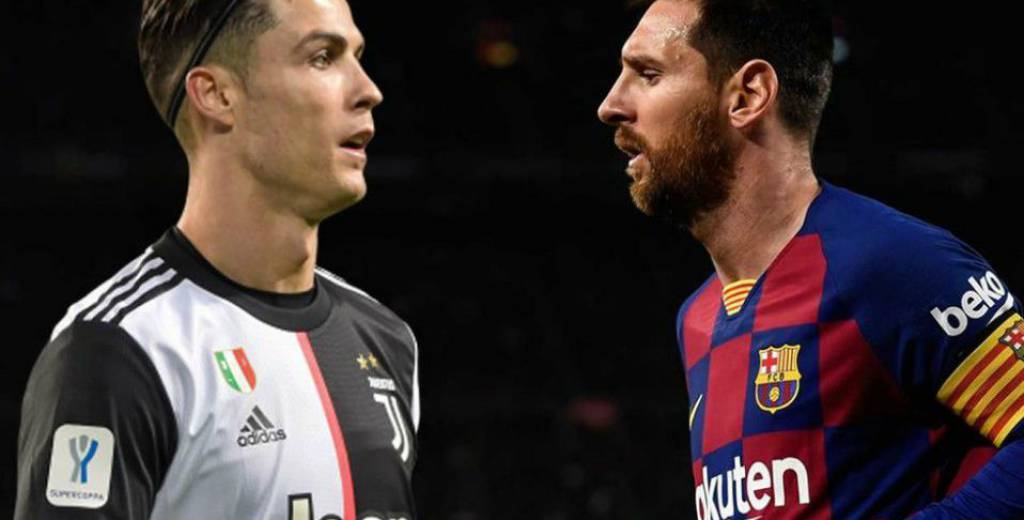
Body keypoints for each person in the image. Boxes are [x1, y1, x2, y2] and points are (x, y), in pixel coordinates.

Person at [598, 0, 1023, 518]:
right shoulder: (697, 318)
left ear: (748, 96)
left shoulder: (893, 263)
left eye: (648, 74)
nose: (610, 105)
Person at [16, 0, 418, 518]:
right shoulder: (118, 349)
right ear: (216, 94)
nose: (369, 90)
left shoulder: (385, 338)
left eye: (357, 57)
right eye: (322, 57)